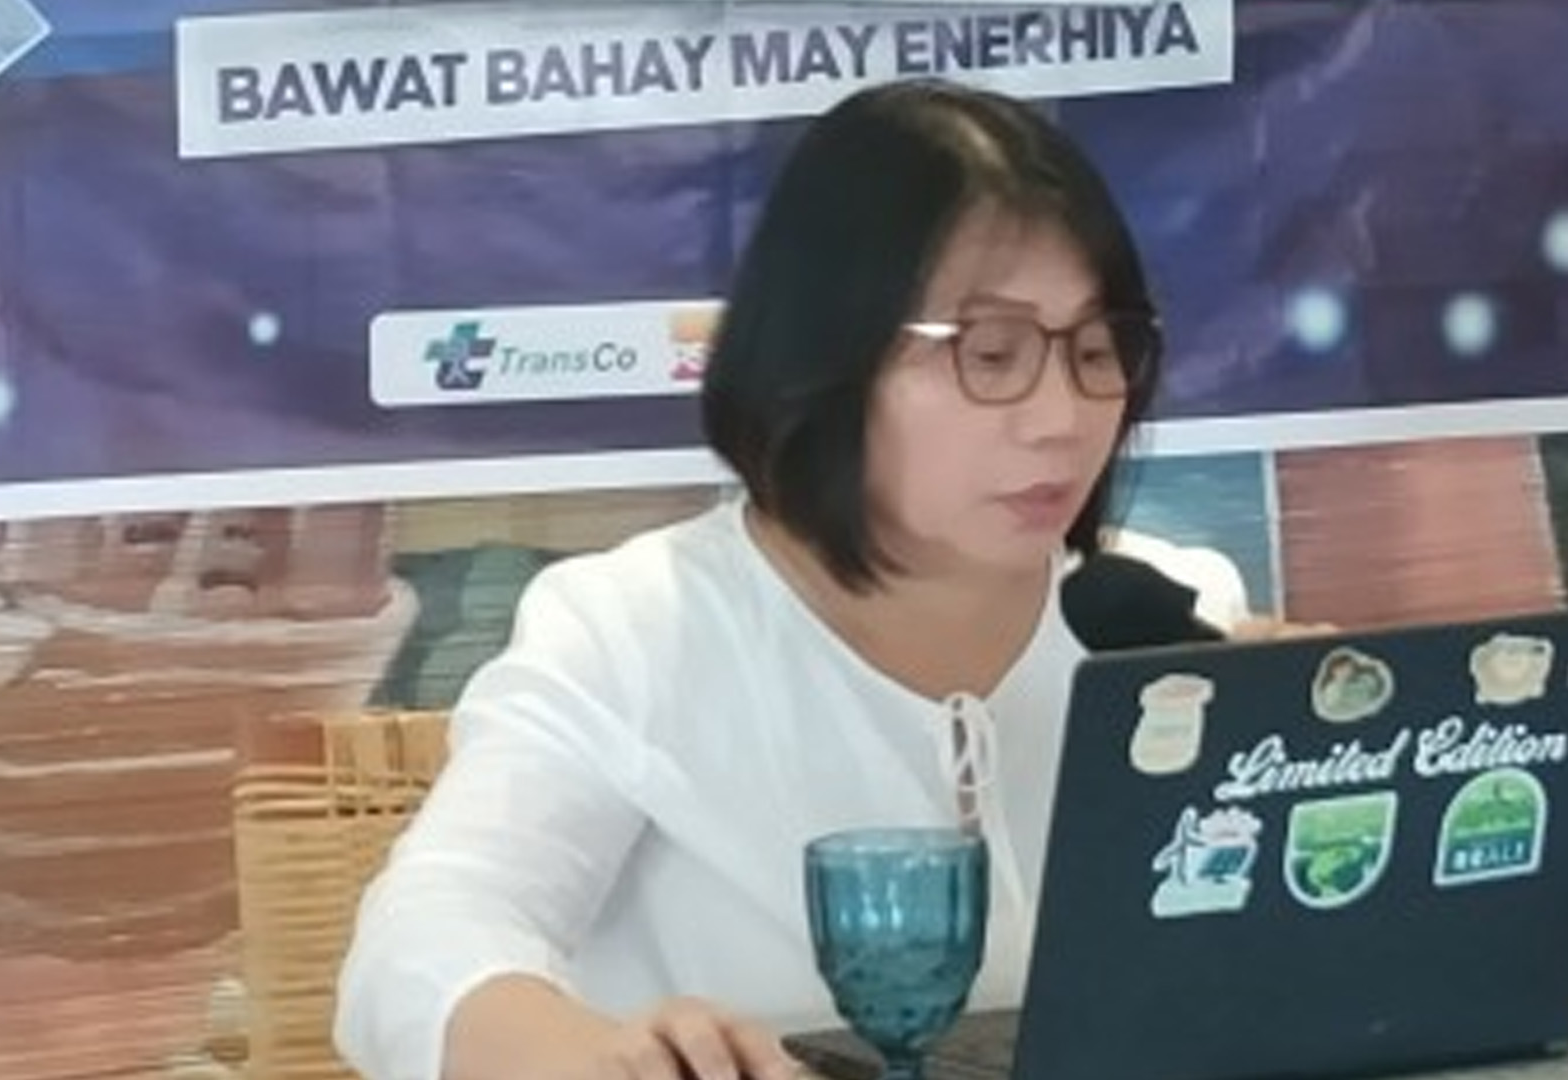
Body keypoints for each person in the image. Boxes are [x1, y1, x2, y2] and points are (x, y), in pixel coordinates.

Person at [337, 79, 1183, 1080]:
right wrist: (599, 1060)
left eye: (1096, 351)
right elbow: (420, 945)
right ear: (829, 354)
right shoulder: (639, 630)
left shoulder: (1160, 629)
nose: (1062, 418)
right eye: (992, 355)